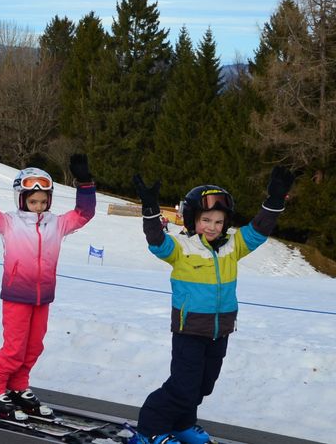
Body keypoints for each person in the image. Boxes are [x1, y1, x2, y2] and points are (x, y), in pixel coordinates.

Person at [125, 168, 294, 444]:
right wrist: (151, 209)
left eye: (218, 221)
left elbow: (259, 231)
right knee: (182, 387)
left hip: (220, 331)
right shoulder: (181, 248)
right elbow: (157, 243)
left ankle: (182, 424)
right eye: (206, 220)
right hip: (189, 331)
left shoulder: (232, 246)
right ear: (193, 219)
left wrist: (274, 201)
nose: (213, 226)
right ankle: (147, 431)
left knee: (202, 386)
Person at [0, 151, 96, 421]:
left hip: (43, 297)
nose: (38, 206)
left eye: (43, 201)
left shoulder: (58, 224)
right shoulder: (9, 222)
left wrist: (84, 182)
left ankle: (16, 386)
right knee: (13, 349)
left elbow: (84, 213)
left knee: (33, 348)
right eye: (33, 201)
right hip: (16, 296)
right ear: (21, 199)